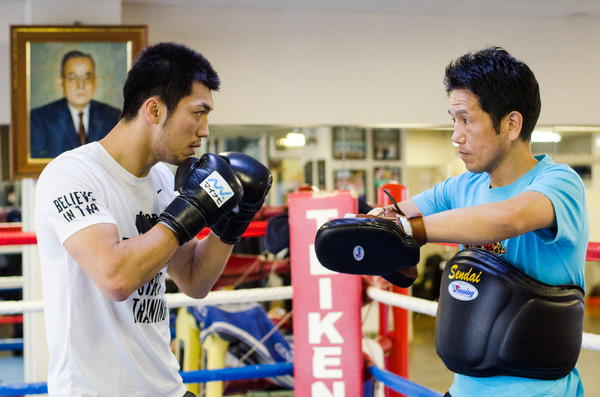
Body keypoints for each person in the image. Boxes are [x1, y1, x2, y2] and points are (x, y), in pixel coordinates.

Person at [315, 47, 588, 396]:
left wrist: (413, 231)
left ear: (511, 124)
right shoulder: (462, 187)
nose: (456, 135)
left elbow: (509, 218)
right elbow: (388, 217)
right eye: (453, 120)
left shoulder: (559, 182)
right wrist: (382, 235)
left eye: (466, 120)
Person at [34, 42, 272, 396]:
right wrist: (193, 209)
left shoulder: (161, 180)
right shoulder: (72, 174)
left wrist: (230, 223)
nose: (205, 130)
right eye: (198, 112)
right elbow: (115, 277)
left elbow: (194, 280)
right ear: (155, 109)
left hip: (165, 386)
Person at [30, 50, 122, 158]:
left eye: (87, 77)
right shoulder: (41, 118)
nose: (80, 85)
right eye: (72, 78)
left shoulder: (112, 116)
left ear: (95, 82)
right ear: (61, 83)